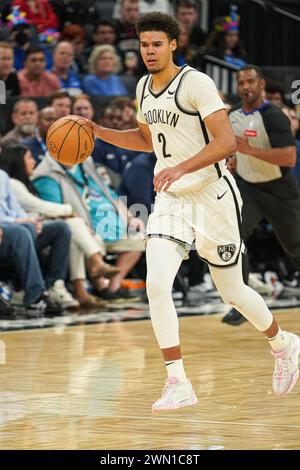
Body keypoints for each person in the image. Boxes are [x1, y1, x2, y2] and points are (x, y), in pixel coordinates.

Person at [86, 12, 300, 413]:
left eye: (155, 44)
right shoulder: (143, 88)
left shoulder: (196, 83)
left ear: (172, 45)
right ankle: (177, 380)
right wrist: (98, 131)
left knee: (232, 292)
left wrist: (181, 166)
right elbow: (148, 140)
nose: (148, 51)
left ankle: (284, 344)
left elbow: (225, 142)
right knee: (156, 285)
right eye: (143, 45)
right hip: (172, 199)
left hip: (211, 195)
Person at [223, 65, 300, 326]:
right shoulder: (231, 115)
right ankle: (242, 303)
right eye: (241, 83)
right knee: (234, 237)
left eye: (250, 82)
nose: (245, 87)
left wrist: (248, 149)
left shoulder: (274, 116)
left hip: (279, 189)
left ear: (261, 84)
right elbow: (227, 147)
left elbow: (289, 157)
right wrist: (232, 159)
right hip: (248, 188)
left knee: (295, 246)